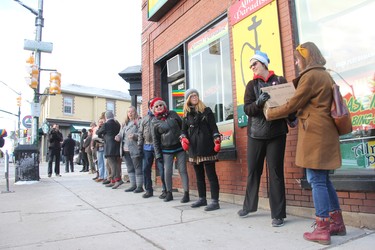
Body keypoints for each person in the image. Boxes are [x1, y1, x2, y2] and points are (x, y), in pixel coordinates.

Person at [265, 42, 346, 245]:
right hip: (325, 131)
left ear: (306, 57)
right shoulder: (325, 74)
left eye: (297, 58)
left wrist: (271, 112)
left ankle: (322, 228)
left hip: (315, 134)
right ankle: (337, 223)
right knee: (324, 179)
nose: (296, 62)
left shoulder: (310, 76)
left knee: (316, 179)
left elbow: (294, 103)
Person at [238, 50, 289, 227]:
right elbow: (247, 109)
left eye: (255, 63)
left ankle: (278, 214)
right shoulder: (251, 85)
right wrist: (258, 102)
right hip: (256, 134)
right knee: (253, 171)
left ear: (264, 64)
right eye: (251, 65)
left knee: (275, 173)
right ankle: (249, 206)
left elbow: (289, 102)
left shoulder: (280, 80)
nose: (252, 67)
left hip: (277, 133)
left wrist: (293, 119)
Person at [181, 89, 222, 211]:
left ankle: (215, 201)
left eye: (196, 95)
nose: (194, 97)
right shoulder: (186, 115)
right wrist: (183, 139)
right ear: (188, 99)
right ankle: (202, 199)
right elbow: (183, 131)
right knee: (199, 176)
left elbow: (214, 127)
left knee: (211, 175)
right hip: (194, 148)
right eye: (192, 95)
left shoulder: (207, 111)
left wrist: (216, 139)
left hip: (207, 146)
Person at [151, 97, 189, 203]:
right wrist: (158, 155)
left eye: (160, 105)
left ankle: (186, 193)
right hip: (166, 150)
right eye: (156, 106)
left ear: (164, 106)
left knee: (182, 170)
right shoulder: (154, 122)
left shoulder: (173, 114)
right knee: (167, 171)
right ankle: (169, 193)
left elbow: (183, 127)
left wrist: (183, 135)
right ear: (154, 109)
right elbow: (155, 140)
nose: (159, 107)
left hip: (179, 147)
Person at [138, 98, 167, 199]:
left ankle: (165, 190)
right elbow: (140, 134)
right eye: (152, 104)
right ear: (149, 106)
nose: (154, 106)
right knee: (146, 169)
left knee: (162, 170)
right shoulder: (144, 119)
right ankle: (148, 190)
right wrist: (139, 147)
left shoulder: (161, 116)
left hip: (159, 147)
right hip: (147, 147)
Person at [116, 106, 143, 192]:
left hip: (134, 149)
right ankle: (132, 185)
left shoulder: (139, 121)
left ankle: (139, 186)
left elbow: (142, 134)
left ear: (135, 112)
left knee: (137, 168)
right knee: (130, 168)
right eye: (128, 112)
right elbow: (120, 134)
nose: (130, 113)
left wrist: (135, 136)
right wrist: (118, 136)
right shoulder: (124, 123)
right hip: (125, 149)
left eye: (132, 112)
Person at [96, 111, 122, 189]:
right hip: (116, 145)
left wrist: (102, 133)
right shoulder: (117, 124)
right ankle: (113, 180)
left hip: (109, 146)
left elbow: (98, 132)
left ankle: (117, 180)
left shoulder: (106, 124)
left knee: (112, 164)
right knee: (115, 163)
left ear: (106, 117)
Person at [92, 117, 106, 182]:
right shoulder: (98, 129)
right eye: (100, 122)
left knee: (105, 162)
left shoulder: (105, 128)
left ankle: (105, 177)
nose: (101, 123)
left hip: (105, 146)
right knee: (100, 162)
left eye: (102, 122)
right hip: (98, 147)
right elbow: (94, 137)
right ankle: (101, 176)